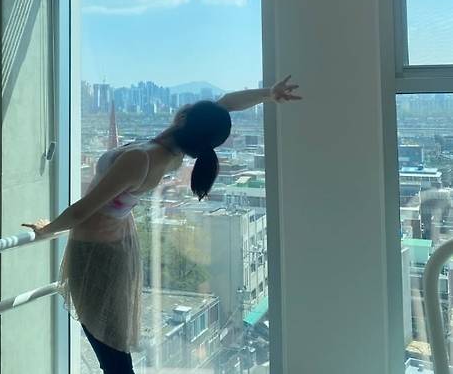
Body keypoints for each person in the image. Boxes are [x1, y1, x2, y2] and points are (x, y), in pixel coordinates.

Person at [24, 76, 301, 374]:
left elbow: (83, 210)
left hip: (97, 254)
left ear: (183, 118)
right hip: (113, 244)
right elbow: (226, 105)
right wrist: (269, 93)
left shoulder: (142, 158)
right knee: (111, 346)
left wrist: (47, 228)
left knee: (109, 349)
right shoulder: (171, 152)